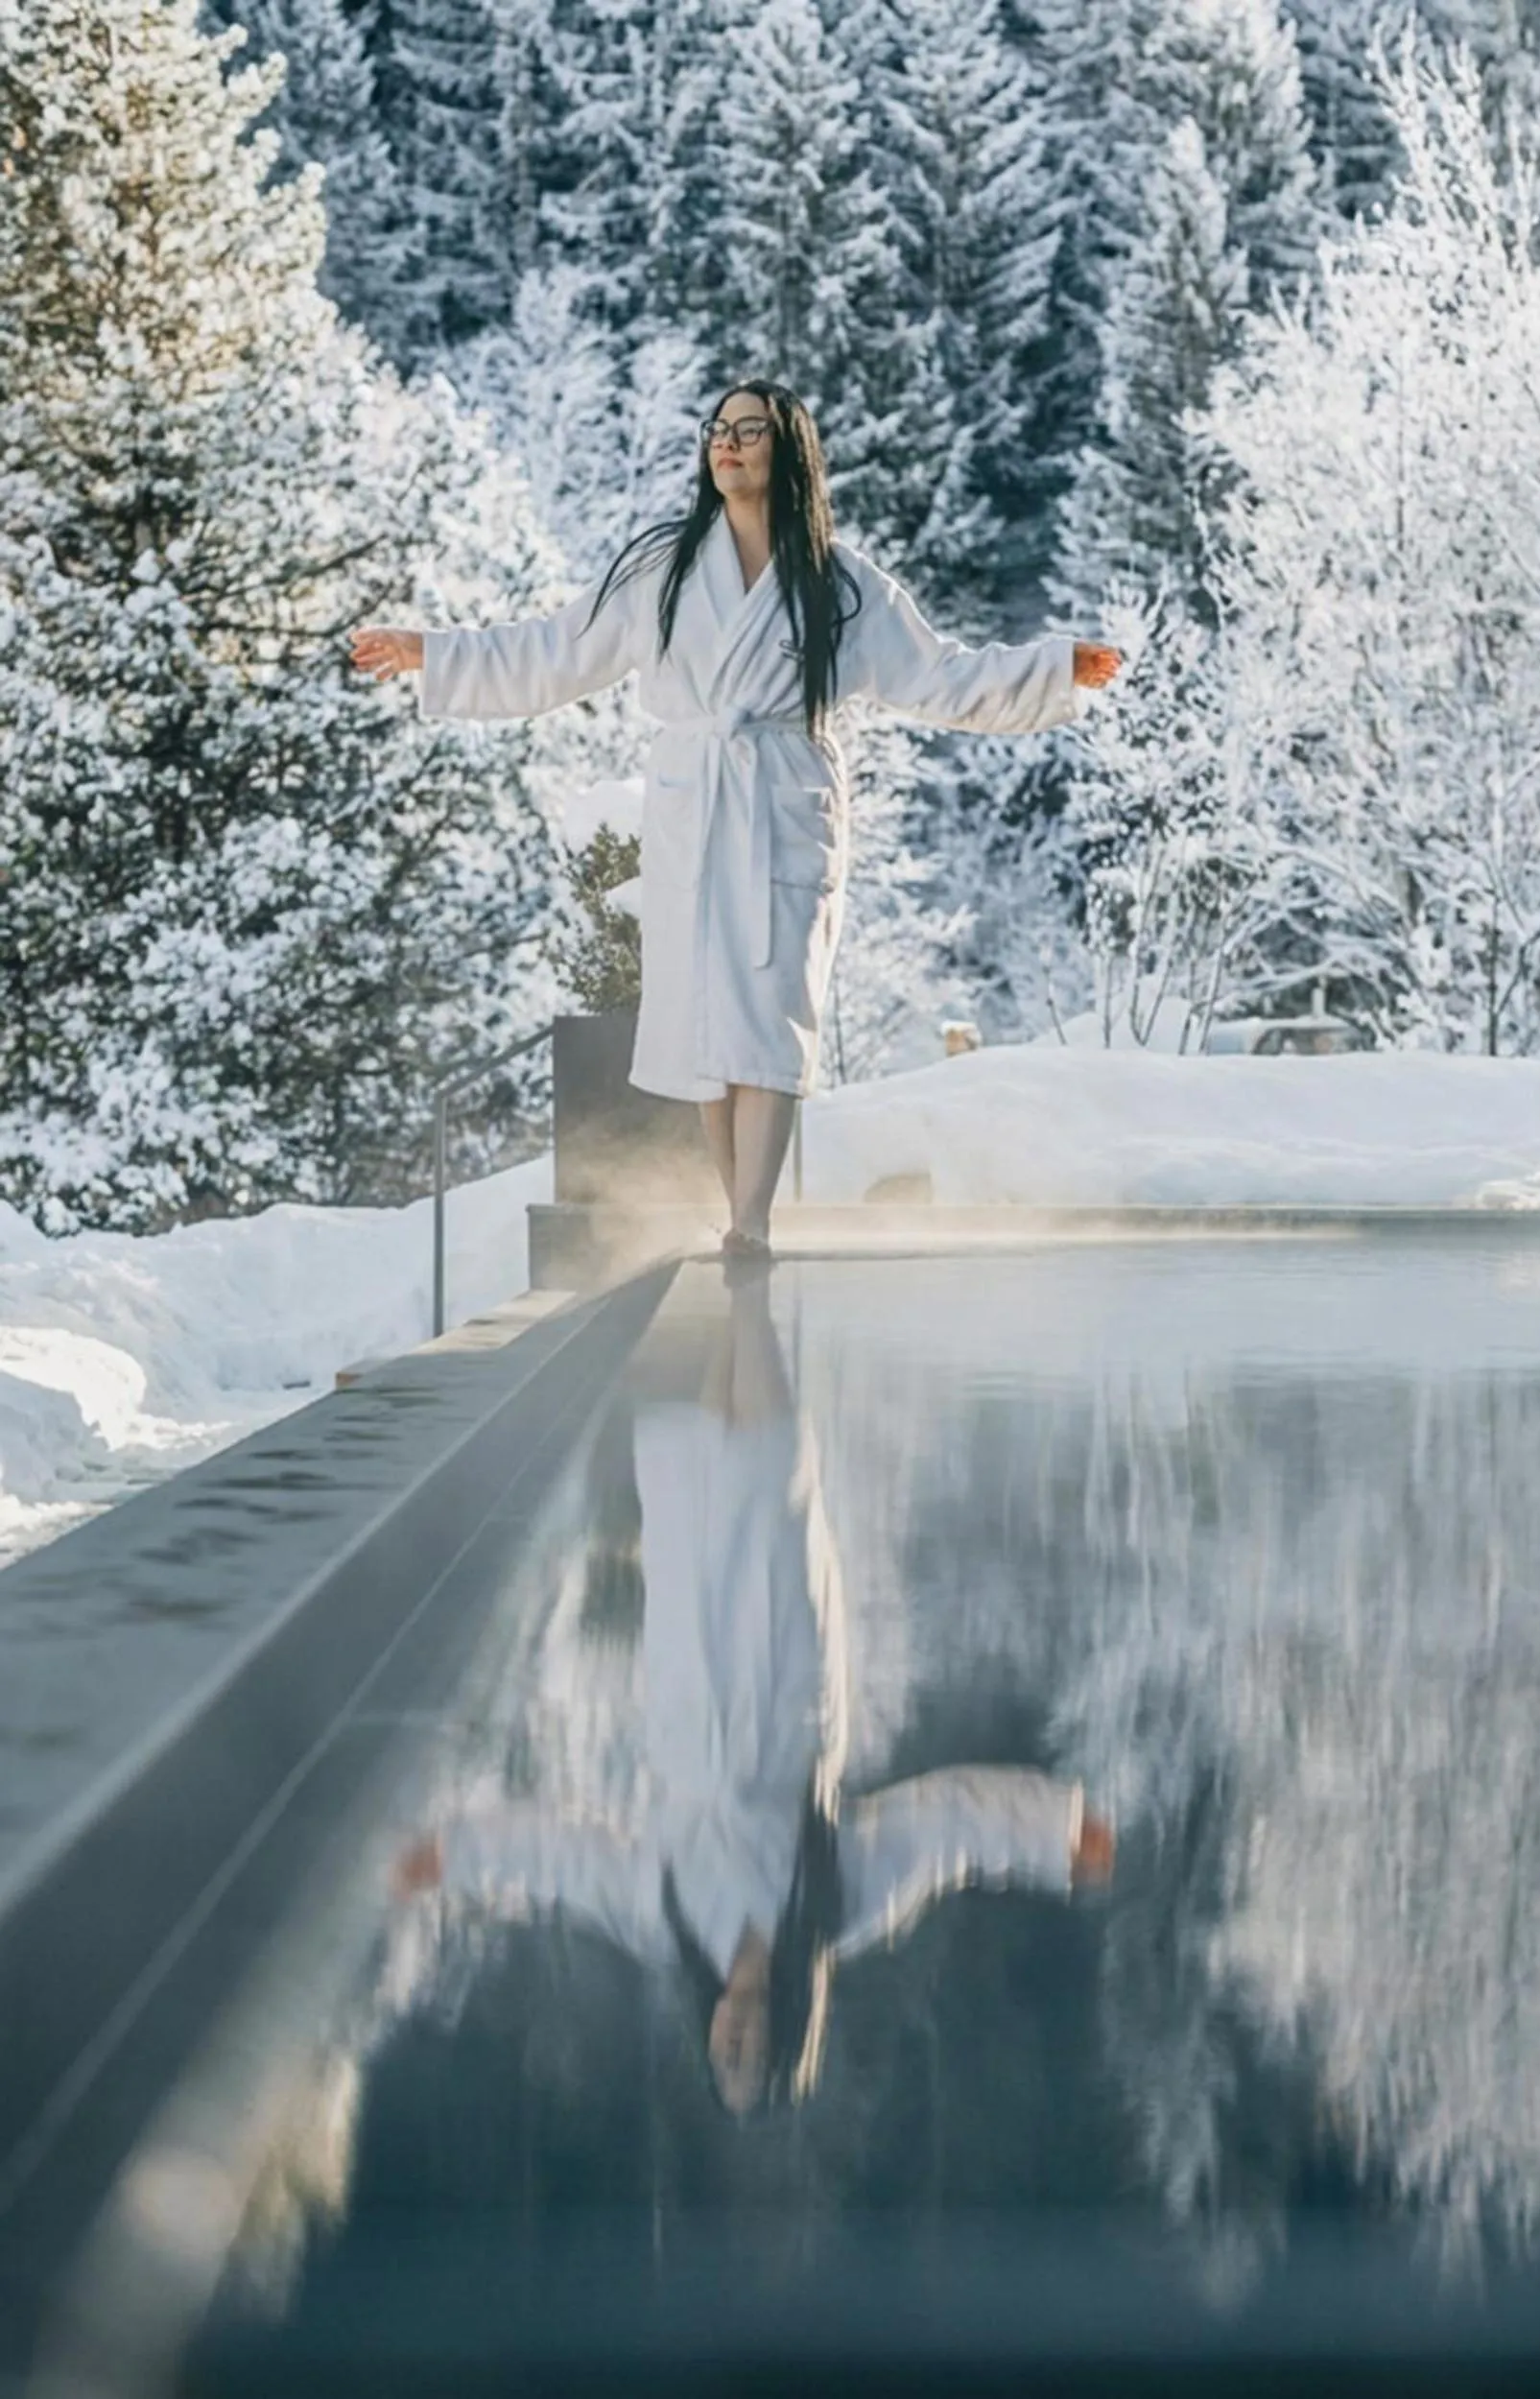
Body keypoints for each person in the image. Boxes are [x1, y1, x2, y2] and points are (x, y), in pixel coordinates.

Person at [350, 379, 1124, 1260]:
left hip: (784, 799)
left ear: (787, 449)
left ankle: (752, 1219)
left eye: (749, 430)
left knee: (772, 1010)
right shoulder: (663, 569)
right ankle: (738, 1211)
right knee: (706, 1025)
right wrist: (434, 654)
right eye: (718, 429)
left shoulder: (838, 582)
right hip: (696, 800)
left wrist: (1052, 670)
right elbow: (556, 651)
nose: (728, 444)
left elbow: (938, 675)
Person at [393, 1270, 1115, 2117]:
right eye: (751, 2058)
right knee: (768, 1478)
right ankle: (748, 1283)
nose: (731, 2045)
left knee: (699, 1477)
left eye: (721, 2061)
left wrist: (455, 1855)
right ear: (782, 2038)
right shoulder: (834, 1913)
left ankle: (726, 1277)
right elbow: (943, 1830)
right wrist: (1054, 1834)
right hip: (787, 1695)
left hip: (689, 1693)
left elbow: (566, 1862)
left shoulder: (667, 1929)